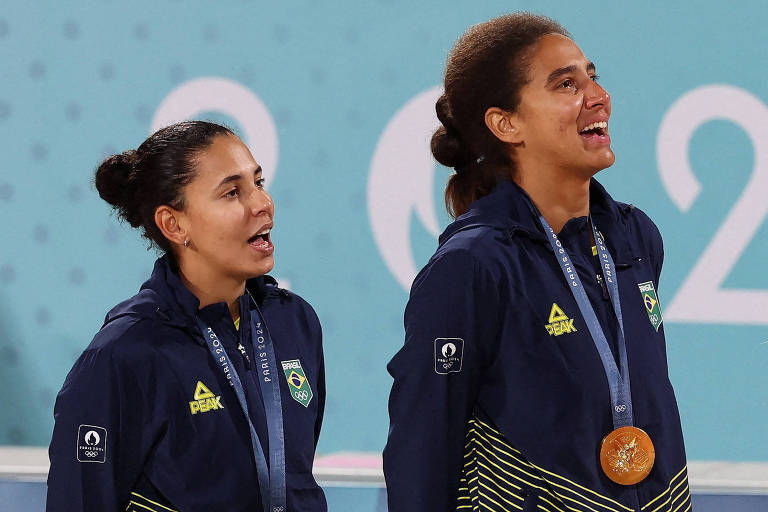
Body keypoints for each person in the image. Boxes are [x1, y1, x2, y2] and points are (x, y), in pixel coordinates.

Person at [384, 13, 691, 512]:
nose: (597, 96)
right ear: (507, 123)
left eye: (593, 76)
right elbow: (422, 451)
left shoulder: (635, 239)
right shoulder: (473, 265)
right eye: (567, 84)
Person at [47, 121, 327, 512]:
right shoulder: (125, 354)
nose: (263, 204)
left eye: (258, 183)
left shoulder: (294, 323)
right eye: (232, 192)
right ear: (173, 224)